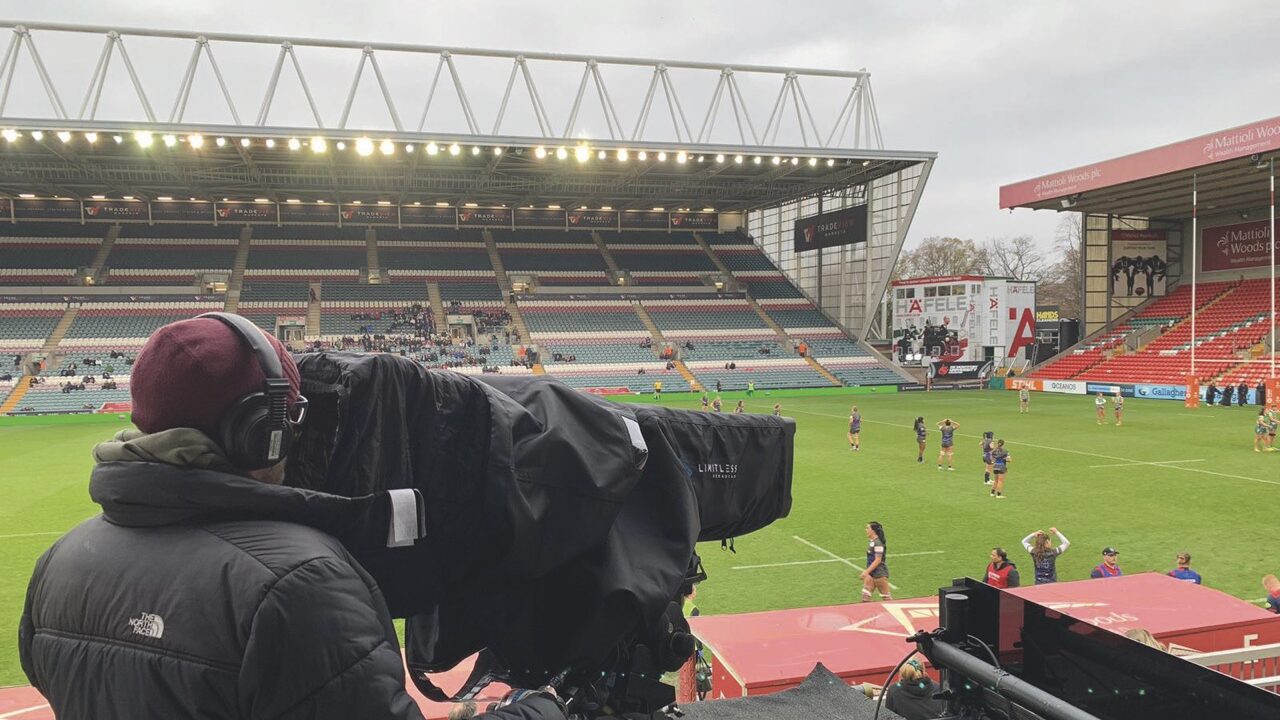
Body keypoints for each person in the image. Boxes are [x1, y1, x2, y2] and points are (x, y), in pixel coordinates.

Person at [18, 315, 567, 720]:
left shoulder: (56, 566)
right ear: (262, 429)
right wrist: (534, 713)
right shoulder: (299, 582)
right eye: (294, 416)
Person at [861, 521, 892, 602]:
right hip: (871, 573)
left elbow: (878, 560)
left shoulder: (878, 543)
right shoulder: (872, 542)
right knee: (865, 597)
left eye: (867, 528)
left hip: (879, 573)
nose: (866, 530)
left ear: (873, 530)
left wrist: (866, 572)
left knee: (887, 599)